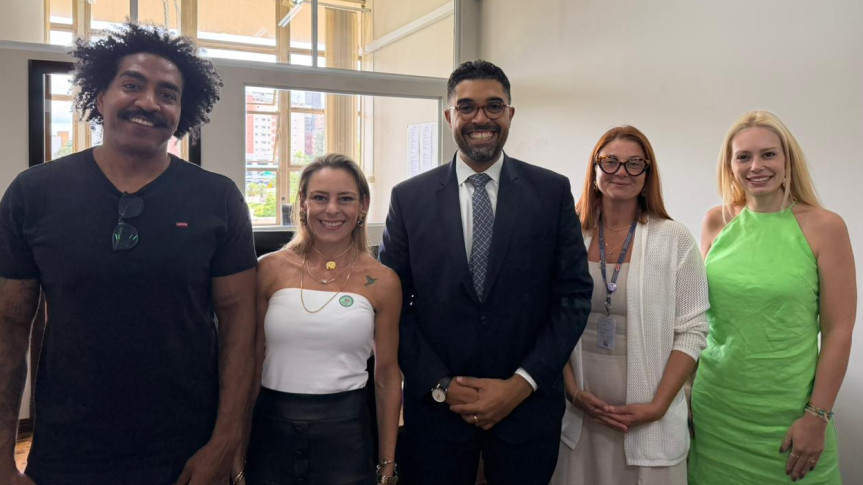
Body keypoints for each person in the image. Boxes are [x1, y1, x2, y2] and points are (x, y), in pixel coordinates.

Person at [0, 23, 257, 485]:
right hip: (68, 448)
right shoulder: (33, 193)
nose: (149, 103)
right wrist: (1, 457)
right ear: (99, 96)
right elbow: (8, 331)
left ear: (183, 111)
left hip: (184, 449)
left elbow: (242, 330)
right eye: (132, 84)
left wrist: (225, 443)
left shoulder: (217, 198)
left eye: (168, 93)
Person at [379, 59, 593, 484]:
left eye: (494, 107)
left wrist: (521, 383)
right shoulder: (410, 198)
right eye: (467, 107)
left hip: (527, 412)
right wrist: (441, 385)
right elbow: (392, 303)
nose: (481, 118)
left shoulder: (551, 192)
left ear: (510, 114)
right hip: (437, 415)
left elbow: (571, 297)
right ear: (449, 116)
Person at [688, 111, 856, 484]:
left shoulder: (826, 227)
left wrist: (817, 416)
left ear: (787, 160)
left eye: (768, 154)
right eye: (743, 157)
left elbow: (839, 330)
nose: (756, 166)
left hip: (792, 420)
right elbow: (700, 319)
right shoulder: (716, 222)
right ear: (729, 165)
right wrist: (686, 392)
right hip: (716, 412)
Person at [550, 126, 709, 485]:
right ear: (593, 171)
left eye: (634, 163)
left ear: (647, 175)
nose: (621, 172)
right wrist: (572, 392)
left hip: (650, 423)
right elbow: (550, 321)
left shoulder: (674, 239)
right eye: (609, 162)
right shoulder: (569, 236)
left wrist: (657, 406)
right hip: (578, 419)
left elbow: (693, 331)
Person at [245, 154, 402, 484]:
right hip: (271, 431)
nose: (332, 210)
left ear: (363, 207)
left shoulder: (383, 281)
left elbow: (387, 377)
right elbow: (250, 364)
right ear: (302, 204)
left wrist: (387, 464)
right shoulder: (268, 269)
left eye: (345, 198)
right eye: (320, 197)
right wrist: (235, 449)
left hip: (346, 436)